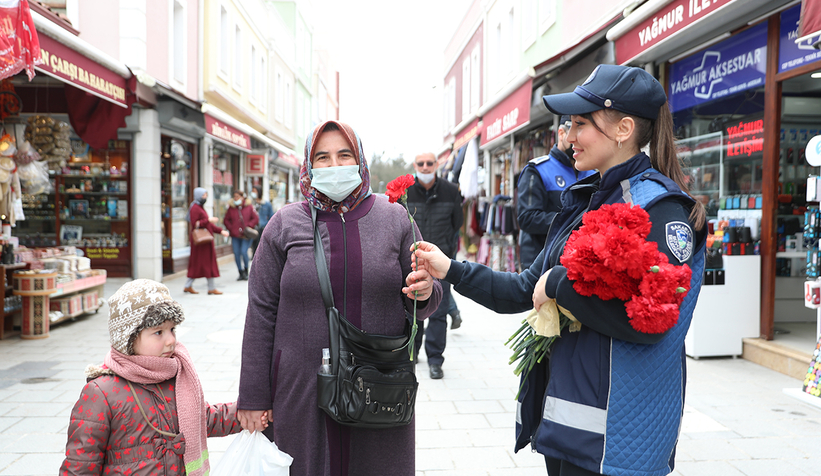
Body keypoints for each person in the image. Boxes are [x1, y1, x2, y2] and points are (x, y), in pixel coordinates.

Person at [411, 65, 707, 476]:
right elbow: (522, 290)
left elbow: (650, 323)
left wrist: (559, 284)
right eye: (568, 125)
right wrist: (450, 270)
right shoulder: (587, 201)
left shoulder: (660, 210)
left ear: (623, 129)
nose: (567, 137)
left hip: (614, 439)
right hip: (570, 423)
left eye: (580, 124)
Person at [236, 120, 442, 476]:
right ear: (309, 165)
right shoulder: (283, 225)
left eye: (344, 155)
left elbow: (427, 298)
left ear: (360, 160)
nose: (334, 166)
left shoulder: (395, 219)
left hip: (378, 388)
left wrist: (424, 292)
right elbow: (261, 311)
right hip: (301, 390)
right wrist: (253, 396)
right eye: (323, 157)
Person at [59, 279, 263, 475]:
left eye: (172, 329)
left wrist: (247, 411)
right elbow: (81, 464)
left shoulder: (177, 378)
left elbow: (204, 419)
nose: (171, 340)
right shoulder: (101, 393)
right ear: (128, 338)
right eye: (158, 332)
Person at [406, 152, 463, 380]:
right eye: (421, 163)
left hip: (442, 262)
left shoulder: (450, 190)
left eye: (430, 163)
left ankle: (435, 360)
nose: (426, 167)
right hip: (413, 260)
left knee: (439, 312)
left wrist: (448, 253)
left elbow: (457, 223)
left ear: (437, 165)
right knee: (414, 310)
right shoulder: (407, 192)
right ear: (415, 165)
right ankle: (412, 353)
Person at [517, 115, 595, 270]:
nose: (576, 140)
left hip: (577, 261)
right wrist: (574, 222)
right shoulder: (537, 169)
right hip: (541, 261)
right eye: (574, 132)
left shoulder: (591, 172)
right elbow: (527, 218)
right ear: (561, 133)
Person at [185, 187, 230, 295]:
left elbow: (208, 225)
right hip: (200, 242)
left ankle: (192, 286)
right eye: (203, 195)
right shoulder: (195, 208)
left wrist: (220, 231)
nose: (205, 197)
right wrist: (208, 220)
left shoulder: (199, 207)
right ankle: (207, 287)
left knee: (204, 263)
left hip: (205, 242)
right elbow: (196, 223)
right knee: (201, 263)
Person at [223, 189, 259, 280]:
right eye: (234, 197)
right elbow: (226, 220)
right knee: (236, 253)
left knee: (244, 251)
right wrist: (231, 228)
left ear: (242, 197)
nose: (236, 198)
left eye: (238, 197)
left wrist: (248, 226)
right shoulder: (231, 208)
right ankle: (240, 272)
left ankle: (246, 270)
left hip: (246, 235)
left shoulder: (249, 207)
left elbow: (255, 219)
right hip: (235, 235)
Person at [250, 185, 274, 257]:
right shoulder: (250, 204)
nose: (253, 193)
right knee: (253, 246)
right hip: (252, 228)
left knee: (260, 246)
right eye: (252, 191)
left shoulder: (266, 204)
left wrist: (266, 225)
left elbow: (271, 217)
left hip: (262, 228)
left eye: (255, 191)